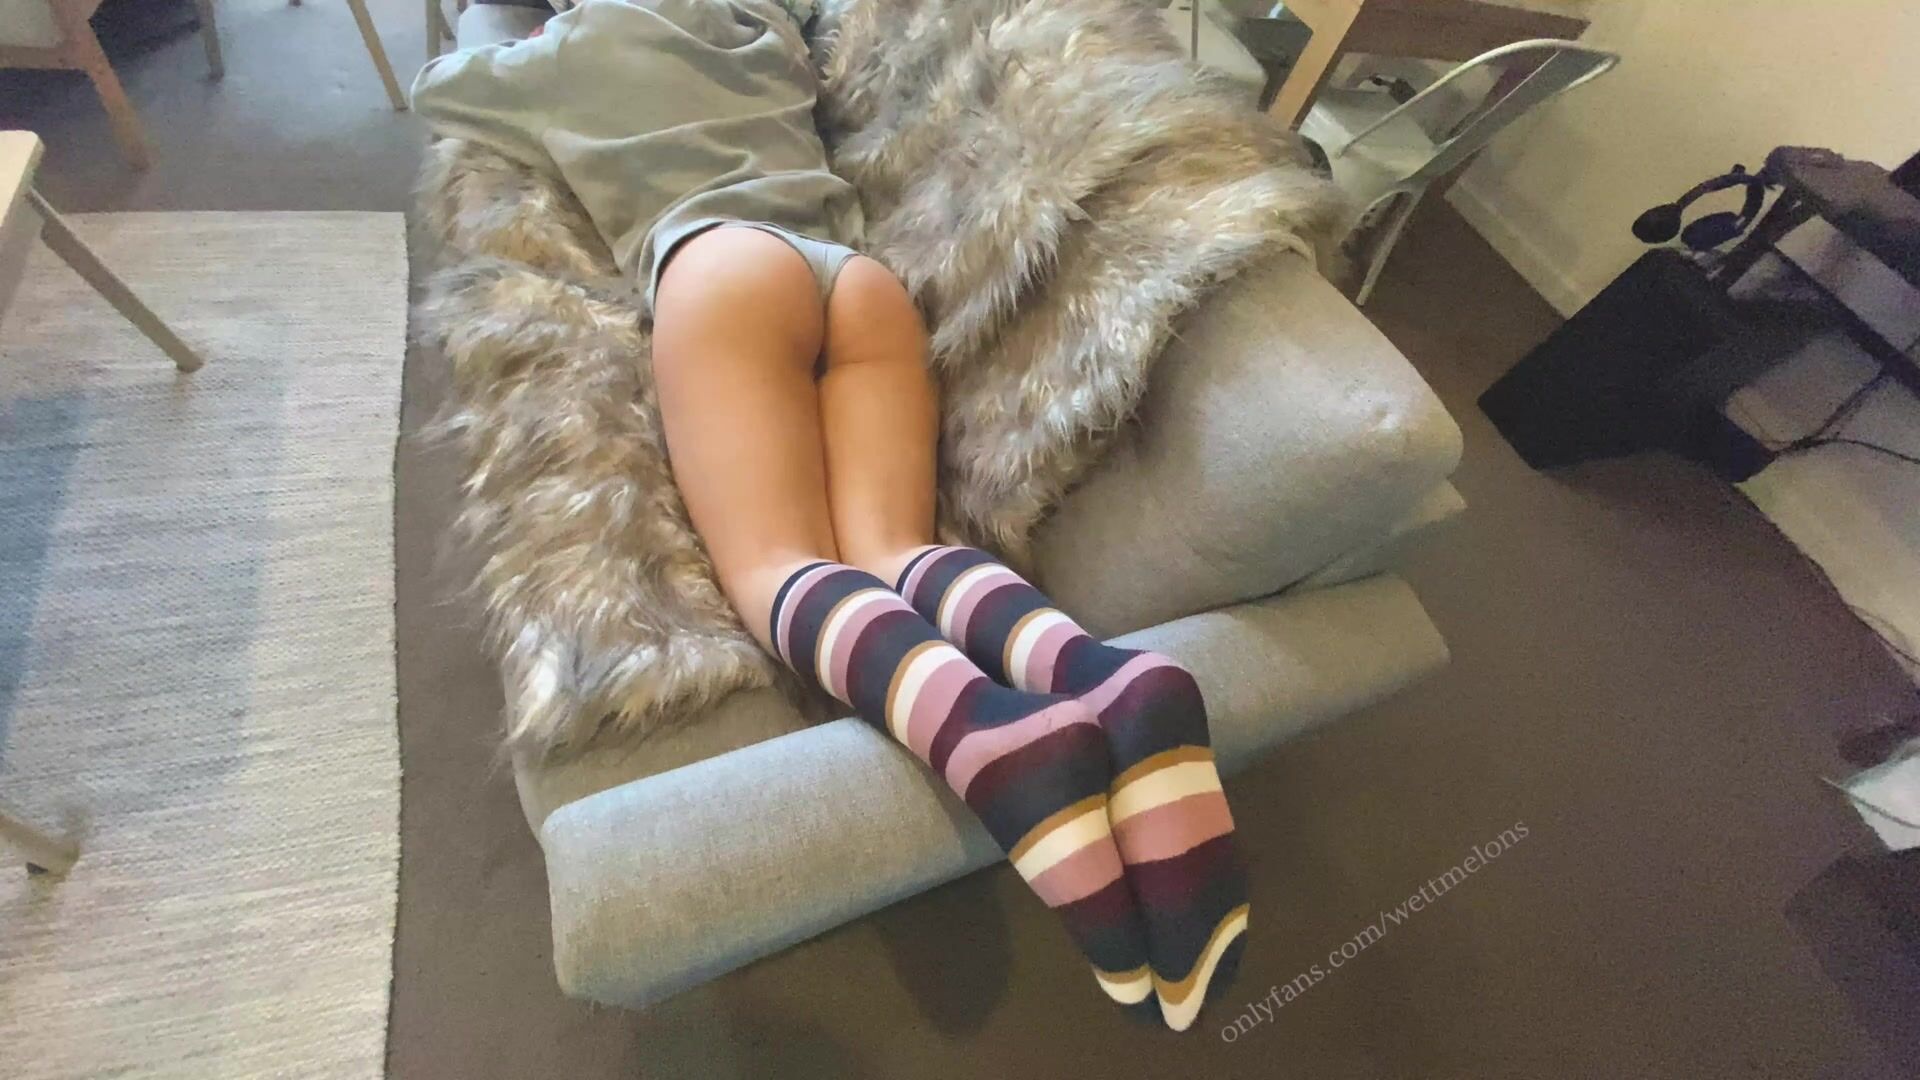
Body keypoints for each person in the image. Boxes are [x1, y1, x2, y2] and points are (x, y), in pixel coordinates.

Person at [414, 0, 1245, 1030]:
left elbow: (445, 93)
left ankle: (989, 734)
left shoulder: (563, 56)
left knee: (776, 569)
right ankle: (1099, 674)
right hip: (854, 283)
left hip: (720, 269)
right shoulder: (758, 25)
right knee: (898, 548)